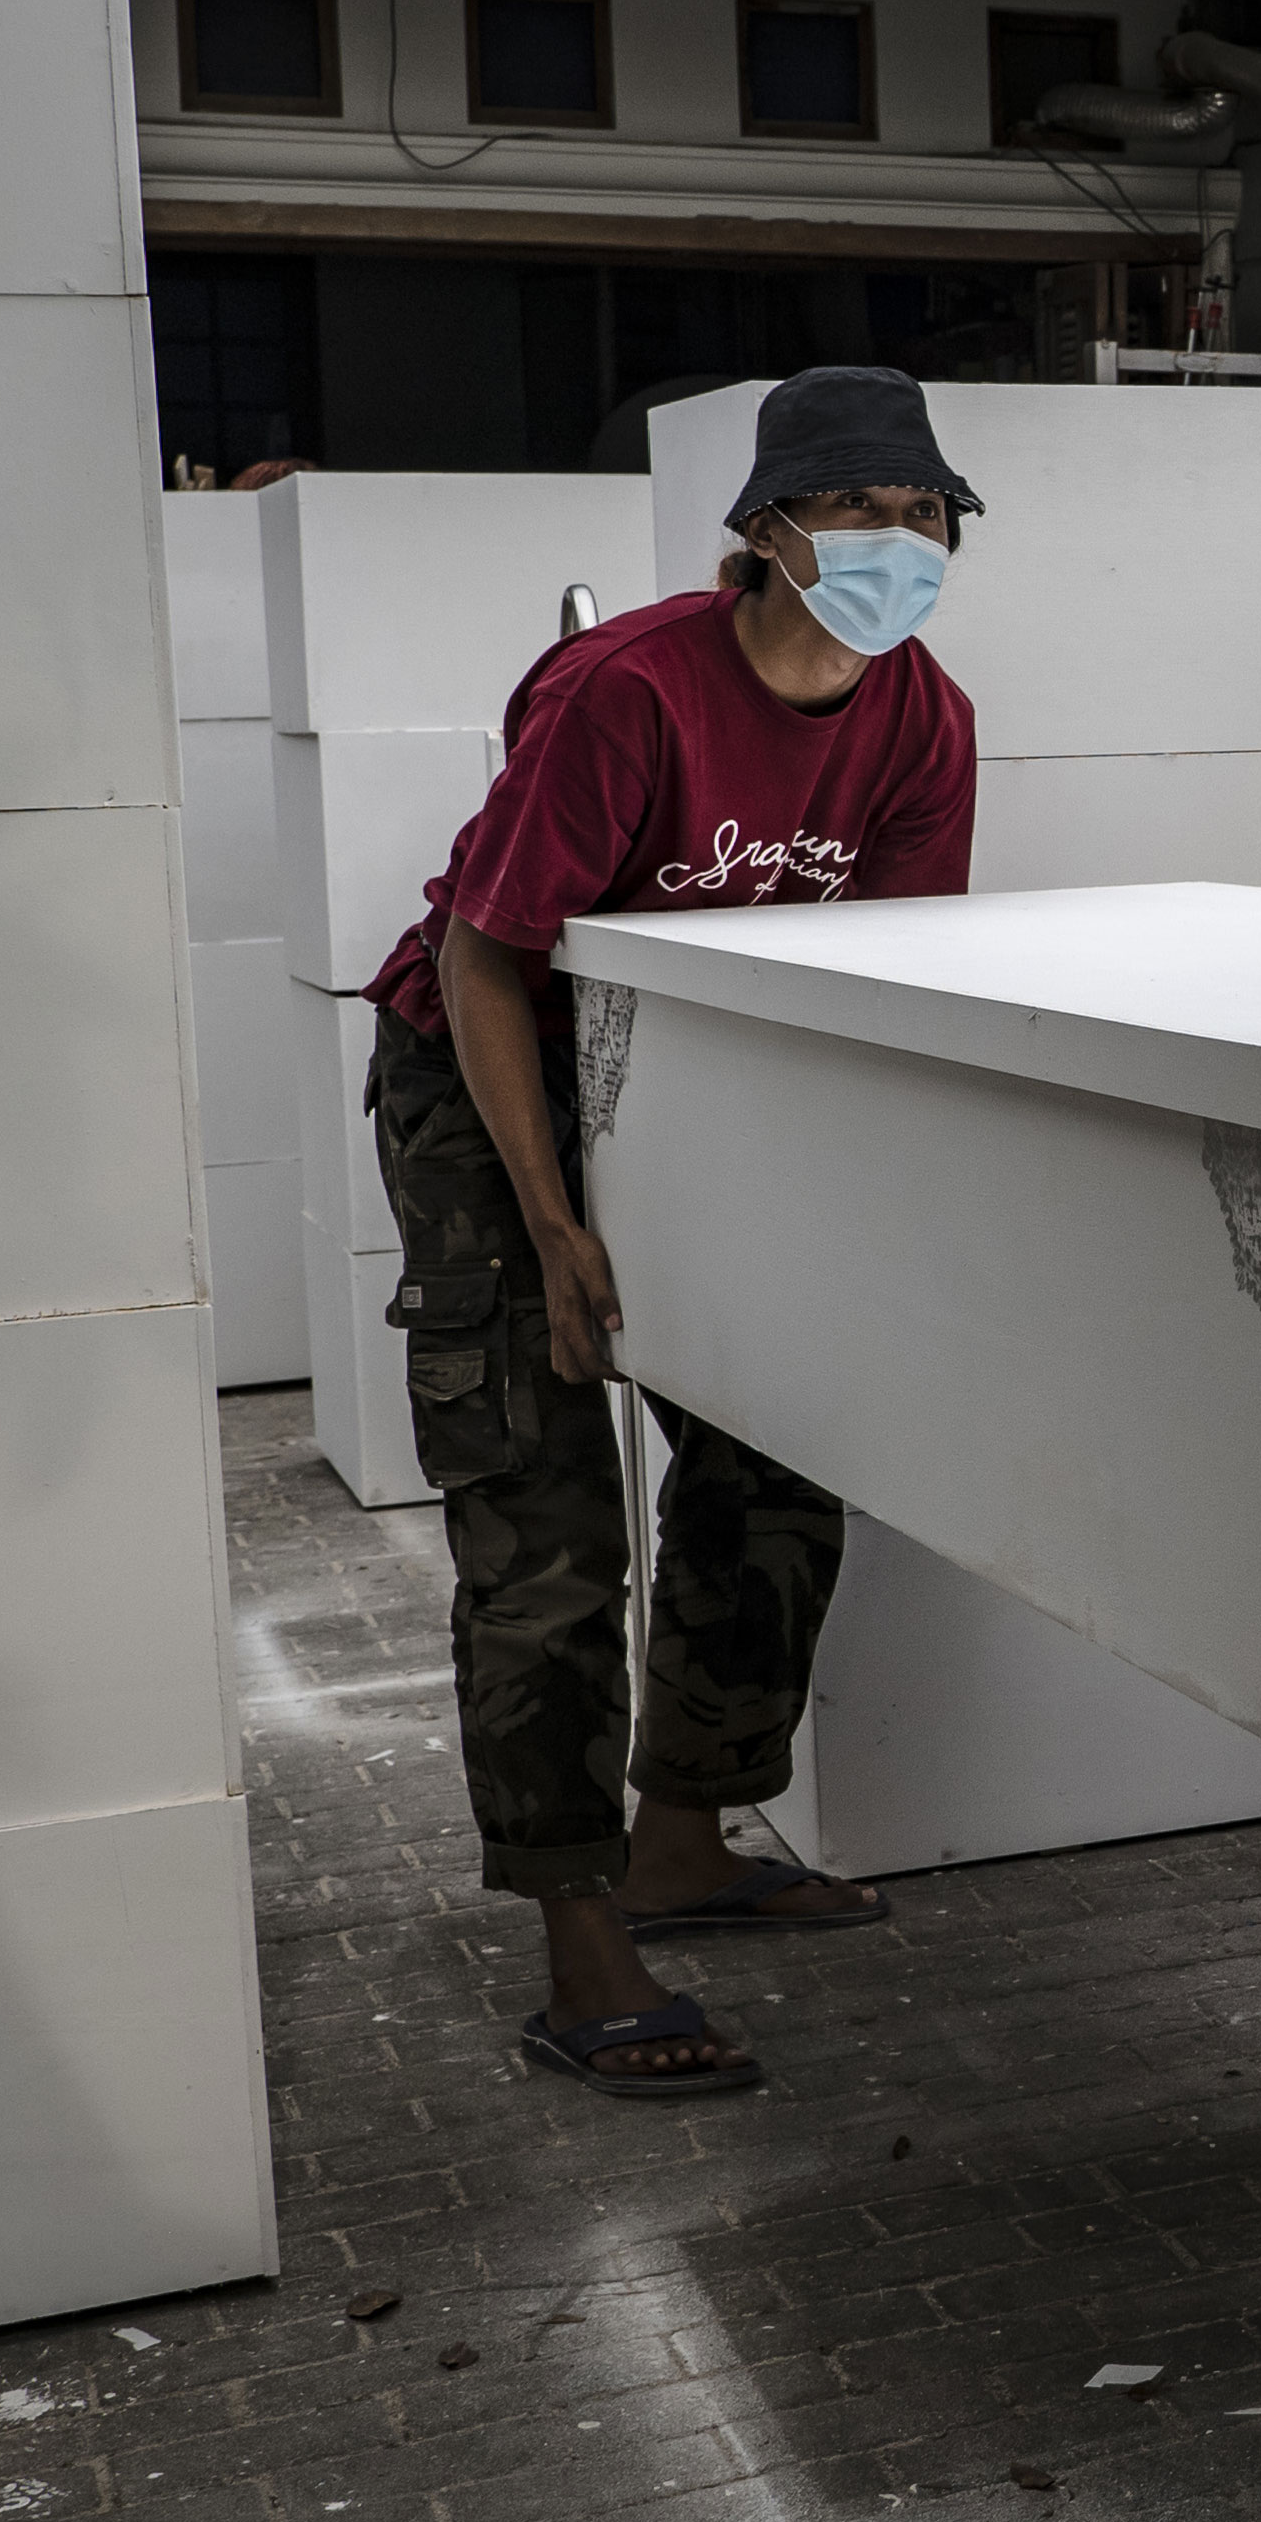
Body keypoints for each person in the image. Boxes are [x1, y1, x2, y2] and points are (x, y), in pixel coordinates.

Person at [357, 364, 985, 2097]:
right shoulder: (628, 692)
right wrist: (553, 1229)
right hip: (491, 1078)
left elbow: (880, 988)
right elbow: (488, 957)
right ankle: (578, 1936)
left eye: (927, 514)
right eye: (860, 510)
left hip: (707, 1092)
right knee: (544, 1498)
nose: (899, 543)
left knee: (776, 1453)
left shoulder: (924, 717)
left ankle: (685, 1835)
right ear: (768, 532)